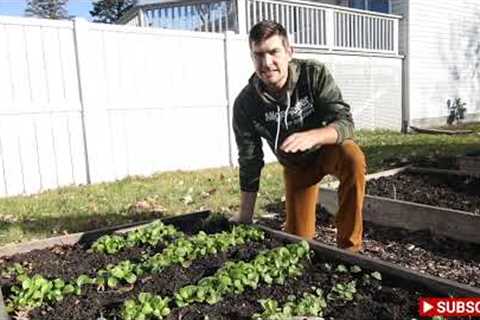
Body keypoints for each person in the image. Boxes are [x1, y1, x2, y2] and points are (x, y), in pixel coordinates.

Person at [231, 20, 366, 252]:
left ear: (289, 52)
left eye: (274, 52)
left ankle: (350, 249)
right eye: (258, 55)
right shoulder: (246, 103)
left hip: (327, 150)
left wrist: (314, 136)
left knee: (352, 157)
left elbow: (345, 122)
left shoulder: (313, 74)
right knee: (298, 242)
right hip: (296, 167)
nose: (267, 63)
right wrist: (245, 214)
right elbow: (249, 160)